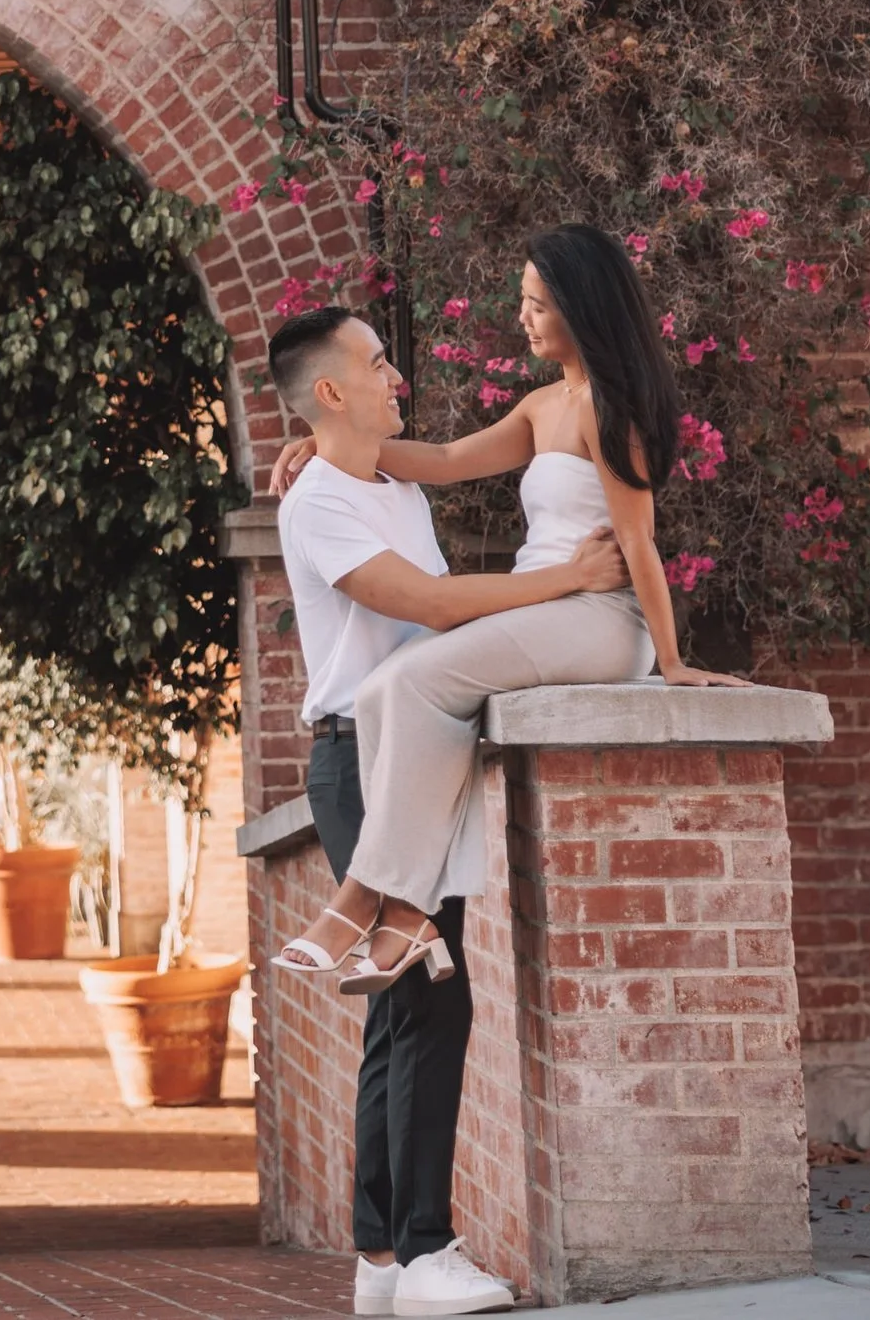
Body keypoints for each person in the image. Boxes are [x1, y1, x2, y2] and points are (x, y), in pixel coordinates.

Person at [266, 299, 631, 1319]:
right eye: (377, 363)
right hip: (359, 759)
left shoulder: (377, 477)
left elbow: (434, 465)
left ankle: (380, 1260)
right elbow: (424, 608)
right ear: (330, 388)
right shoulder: (319, 504)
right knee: (430, 996)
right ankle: (423, 1249)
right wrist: (573, 580)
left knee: (408, 1005)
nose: (398, 377)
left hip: (416, 752)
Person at [301, 226, 738, 1005]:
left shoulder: (611, 410)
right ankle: (409, 914)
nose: (525, 318)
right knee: (382, 691)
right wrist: (328, 446)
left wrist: (669, 661)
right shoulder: (543, 406)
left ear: (579, 308)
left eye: (538, 305)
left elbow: (638, 546)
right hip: (545, 609)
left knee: (417, 682)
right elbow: (438, 463)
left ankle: (373, 899)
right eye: (524, 303)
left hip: (598, 617)